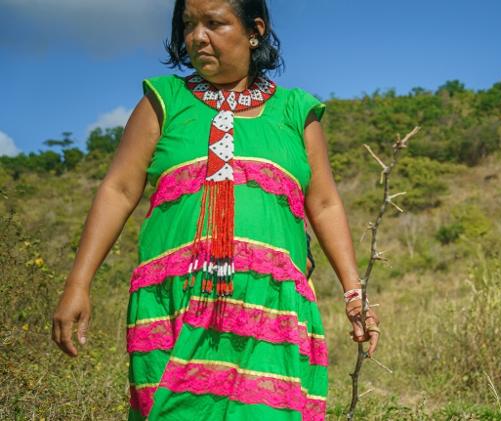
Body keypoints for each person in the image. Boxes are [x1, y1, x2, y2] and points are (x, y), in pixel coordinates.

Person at [51, 0, 379, 419]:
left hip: (271, 309)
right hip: (175, 305)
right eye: (188, 24)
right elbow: (118, 189)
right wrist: (78, 283)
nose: (196, 37)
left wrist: (355, 294)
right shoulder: (164, 102)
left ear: (254, 30)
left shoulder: (297, 112)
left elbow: (326, 203)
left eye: (214, 23)